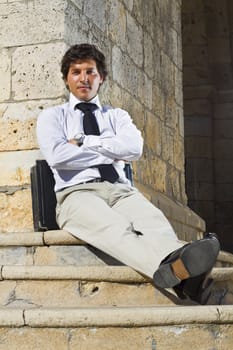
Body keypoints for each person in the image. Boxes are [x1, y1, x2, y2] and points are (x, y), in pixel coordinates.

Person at [36, 43, 220, 304]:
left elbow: (134, 148)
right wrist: (111, 150)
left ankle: (184, 277)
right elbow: (58, 156)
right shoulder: (52, 117)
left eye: (91, 72)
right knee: (115, 227)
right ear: (66, 78)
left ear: (102, 78)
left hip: (121, 190)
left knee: (153, 221)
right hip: (77, 194)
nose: (84, 78)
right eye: (76, 72)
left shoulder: (117, 116)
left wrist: (84, 142)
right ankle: (185, 276)